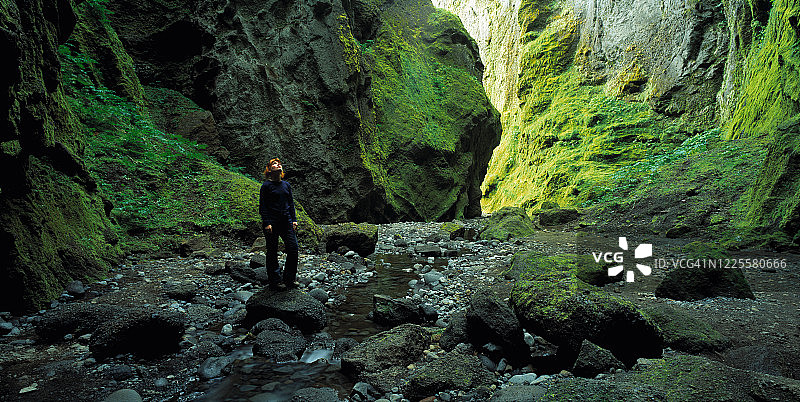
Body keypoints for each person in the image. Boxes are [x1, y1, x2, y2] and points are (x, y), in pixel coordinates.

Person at [259, 157, 299, 290]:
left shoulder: (286, 185)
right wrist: (267, 222)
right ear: (269, 170)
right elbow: (263, 206)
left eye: (279, 163)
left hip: (286, 222)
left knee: (293, 249)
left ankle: (289, 278)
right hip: (272, 223)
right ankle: (275, 281)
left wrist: (294, 219)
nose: (278, 165)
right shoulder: (266, 186)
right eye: (274, 164)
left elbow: (291, 204)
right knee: (272, 251)